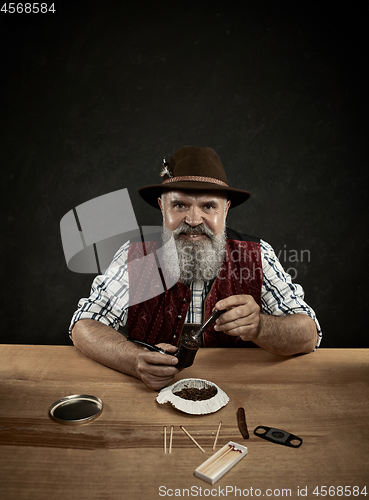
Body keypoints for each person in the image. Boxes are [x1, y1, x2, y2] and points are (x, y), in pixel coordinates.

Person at [70, 146, 322, 390]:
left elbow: (309, 333)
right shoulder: (135, 254)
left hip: (241, 394)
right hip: (150, 397)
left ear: (225, 209)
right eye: (180, 205)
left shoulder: (258, 254)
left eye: (208, 206)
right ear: (162, 207)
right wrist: (134, 360)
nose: (192, 220)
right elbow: (84, 324)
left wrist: (260, 327)